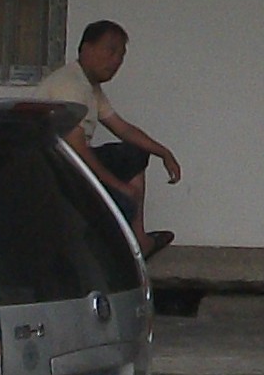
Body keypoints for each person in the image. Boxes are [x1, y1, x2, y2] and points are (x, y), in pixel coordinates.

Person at [32, 20, 177, 258]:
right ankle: (105, 262)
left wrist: (164, 152)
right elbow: (77, 149)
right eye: (111, 51)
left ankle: (140, 241)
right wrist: (119, 187)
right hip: (55, 174)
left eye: (121, 55)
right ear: (87, 49)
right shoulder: (70, 85)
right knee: (122, 204)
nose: (116, 61)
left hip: (73, 165)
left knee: (134, 154)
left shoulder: (90, 86)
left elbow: (123, 129)